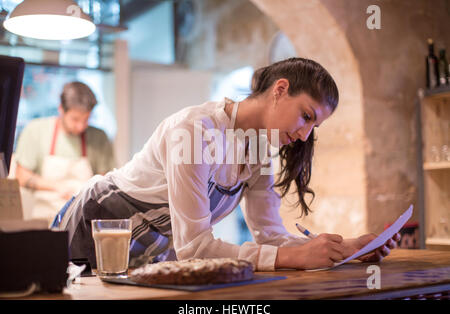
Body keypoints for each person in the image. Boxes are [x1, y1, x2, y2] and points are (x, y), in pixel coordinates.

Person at [52, 58, 400, 271]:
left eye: (315, 126)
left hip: (145, 250)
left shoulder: (260, 149)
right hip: (92, 226)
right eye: (306, 115)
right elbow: (195, 249)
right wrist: (297, 257)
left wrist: (344, 249)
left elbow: (270, 235)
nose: (306, 134)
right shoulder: (194, 131)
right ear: (280, 89)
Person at [15, 81, 115, 225]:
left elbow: (107, 180)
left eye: (86, 119)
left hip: (83, 221)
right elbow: (22, 176)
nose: (81, 126)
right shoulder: (35, 131)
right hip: (45, 221)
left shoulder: (99, 137)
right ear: (61, 109)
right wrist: (57, 187)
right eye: (75, 119)